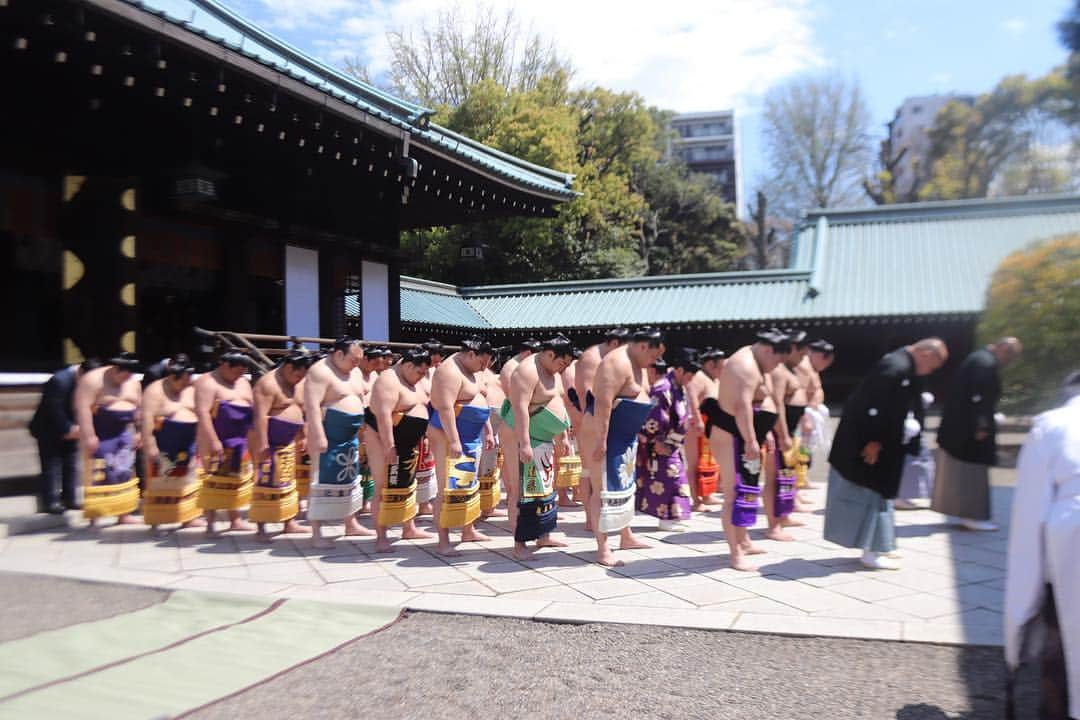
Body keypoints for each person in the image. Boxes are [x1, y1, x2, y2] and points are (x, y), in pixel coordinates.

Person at [824, 338, 948, 570]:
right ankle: (872, 550)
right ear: (925, 353)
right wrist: (873, 440)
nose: (930, 371)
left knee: (882, 494)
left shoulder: (903, 365)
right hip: (870, 442)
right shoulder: (896, 366)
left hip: (885, 441)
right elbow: (871, 407)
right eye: (932, 365)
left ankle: (882, 544)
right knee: (873, 493)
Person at [1004, 371, 1079, 720]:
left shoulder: (1054, 426)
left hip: (1069, 552)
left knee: (1065, 649)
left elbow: (1029, 522)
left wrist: (1016, 628)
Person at [700, 330, 788, 570]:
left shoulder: (756, 359)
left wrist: (764, 432)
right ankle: (735, 553)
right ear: (769, 350)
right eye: (778, 360)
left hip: (746, 432)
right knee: (732, 493)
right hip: (732, 434)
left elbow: (759, 401)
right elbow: (741, 407)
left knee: (747, 489)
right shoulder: (745, 365)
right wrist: (751, 440)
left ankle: (744, 540)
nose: (777, 366)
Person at [583, 327, 664, 567]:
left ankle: (626, 536)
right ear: (642, 346)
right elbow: (603, 404)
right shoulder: (615, 362)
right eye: (653, 355)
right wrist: (602, 440)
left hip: (625, 433)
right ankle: (603, 547)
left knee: (625, 486)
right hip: (603, 431)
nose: (655, 361)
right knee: (601, 488)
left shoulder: (638, 362)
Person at [932, 337, 1023, 531]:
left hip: (963, 426)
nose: (1008, 362)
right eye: (1010, 357)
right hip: (971, 430)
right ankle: (972, 515)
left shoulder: (978, 358)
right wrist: (982, 425)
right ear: (1002, 349)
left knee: (967, 471)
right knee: (973, 471)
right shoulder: (985, 363)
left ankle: (966, 513)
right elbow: (978, 398)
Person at [503, 335, 574, 560]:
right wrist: (524, 443)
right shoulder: (527, 371)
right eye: (562, 363)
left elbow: (557, 401)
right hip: (521, 434)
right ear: (550, 354)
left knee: (544, 488)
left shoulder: (553, 371)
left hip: (543, 436)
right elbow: (520, 408)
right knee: (522, 489)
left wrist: (562, 435)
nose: (563, 369)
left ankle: (543, 534)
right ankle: (519, 543)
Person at [303, 337, 374, 548]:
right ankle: (316, 532)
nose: (357, 363)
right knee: (319, 479)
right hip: (328, 433)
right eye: (354, 359)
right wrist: (317, 435)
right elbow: (312, 406)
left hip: (350, 436)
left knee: (351, 479)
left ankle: (350, 523)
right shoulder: (319, 371)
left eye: (359, 359)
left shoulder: (354, 371)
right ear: (338, 354)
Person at [428, 336, 495, 556]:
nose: (484, 367)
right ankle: (443, 539)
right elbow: (446, 408)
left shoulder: (472, 369)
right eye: (481, 362)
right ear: (471, 354)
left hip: (471, 434)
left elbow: (478, 398)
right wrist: (454, 440)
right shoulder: (449, 371)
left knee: (468, 483)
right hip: (449, 435)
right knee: (448, 485)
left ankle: (468, 529)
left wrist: (487, 429)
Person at [365, 346, 436, 553]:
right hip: (383, 437)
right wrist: (389, 446)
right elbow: (384, 415)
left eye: (424, 373)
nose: (421, 376)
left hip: (409, 439)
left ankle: (409, 527)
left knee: (408, 484)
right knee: (382, 487)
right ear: (407, 365)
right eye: (419, 372)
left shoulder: (416, 380)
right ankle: (381, 536)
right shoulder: (388, 380)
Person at [249, 349, 312, 541]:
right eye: (297, 374)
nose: (299, 379)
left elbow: (303, 410)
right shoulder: (267, 384)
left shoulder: (299, 383)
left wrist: (304, 435)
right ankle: (261, 527)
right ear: (287, 367)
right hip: (268, 441)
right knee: (265, 481)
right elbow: (259, 417)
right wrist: (263, 445)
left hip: (289, 441)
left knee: (288, 482)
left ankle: (289, 522)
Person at [573, 327, 630, 532]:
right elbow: (589, 398)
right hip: (590, 420)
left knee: (617, 474)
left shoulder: (610, 359)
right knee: (591, 473)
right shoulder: (592, 358)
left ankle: (622, 528)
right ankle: (591, 518)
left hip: (608, 419)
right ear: (614, 343)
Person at [74, 353, 142, 525]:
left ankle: (124, 513)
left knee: (124, 472)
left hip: (123, 432)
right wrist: (89, 435)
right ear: (115, 369)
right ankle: (95, 514)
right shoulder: (92, 380)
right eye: (124, 375)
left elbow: (139, 408)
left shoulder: (133, 383)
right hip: (100, 432)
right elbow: (83, 409)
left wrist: (139, 432)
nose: (127, 379)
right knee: (100, 473)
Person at [195, 351, 257, 536]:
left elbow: (252, 408)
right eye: (236, 371)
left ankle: (235, 519)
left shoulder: (243, 382)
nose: (238, 376)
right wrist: (213, 440)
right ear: (223, 364)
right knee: (214, 480)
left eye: (242, 372)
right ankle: (211, 523)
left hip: (241, 438)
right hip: (218, 437)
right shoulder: (207, 382)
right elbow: (203, 413)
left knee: (236, 480)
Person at [140, 354, 204, 531]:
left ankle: (188, 517)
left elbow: (202, 414)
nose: (186, 383)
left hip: (188, 440)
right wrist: (150, 445)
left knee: (189, 478)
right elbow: (146, 421)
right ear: (172, 376)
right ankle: (157, 519)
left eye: (188, 379)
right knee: (161, 480)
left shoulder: (192, 390)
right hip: (165, 441)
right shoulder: (154, 391)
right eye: (183, 380)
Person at [30, 358, 100, 514]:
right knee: (51, 465)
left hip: (73, 428)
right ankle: (50, 502)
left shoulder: (85, 382)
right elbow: (53, 409)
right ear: (81, 372)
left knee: (71, 463)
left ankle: (70, 498)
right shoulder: (60, 380)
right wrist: (67, 428)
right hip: (49, 429)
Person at [636, 355, 694, 532]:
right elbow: (655, 418)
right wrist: (657, 440)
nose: (691, 380)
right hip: (660, 443)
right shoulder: (663, 388)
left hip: (672, 442)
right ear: (679, 370)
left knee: (674, 478)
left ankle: (673, 516)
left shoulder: (675, 386)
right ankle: (666, 517)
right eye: (689, 375)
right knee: (667, 479)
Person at [765, 332, 811, 540]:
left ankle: (784, 515)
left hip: (791, 431)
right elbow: (777, 403)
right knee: (775, 478)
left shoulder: (791, 369)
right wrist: (782, 434)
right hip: (780, 431)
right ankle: (773, 526)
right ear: (791, 348)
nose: (803, 358)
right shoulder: (779, 371)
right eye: (801, 354)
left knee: (787, 476)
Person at [684, 348, 726, 511]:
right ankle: (696, 500)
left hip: (711, 425)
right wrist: (697, 419)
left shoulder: (714, 379)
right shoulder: (699, 377)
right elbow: (691, 397)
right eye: (719, 366)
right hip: (697, 424)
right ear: (709, 364)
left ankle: (707, 495)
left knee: (709, 462)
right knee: (695, 463)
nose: (721, 370)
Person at [414, 339, 445, 515]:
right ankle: (416, 503)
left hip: (432, 419)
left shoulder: (434, 371)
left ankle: (424, 502)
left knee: (428, 464)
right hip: (418, 420)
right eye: (435, 355)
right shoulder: (414, 371)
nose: (437, 359)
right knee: (417, 463)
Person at [800, 340, 836, 488]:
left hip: (813, 413)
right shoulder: (803, 367)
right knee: (800, 450)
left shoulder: (812, 368)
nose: (826, 365)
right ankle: (799, 480)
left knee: (807, 449)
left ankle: (803, 479)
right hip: (805, 415)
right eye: (826, 361)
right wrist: (805, 418)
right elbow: (797, 395)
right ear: (819, 355)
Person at [894, 391, 936, 510]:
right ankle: (899, 496)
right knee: (913, 460)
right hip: (905, 426)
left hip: (912, 425)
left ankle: (902, 495)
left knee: (918, 460)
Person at [478, 350, 507, 519]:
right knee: (481, 467)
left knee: (490, 466)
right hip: (481, 425)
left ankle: (488, 506)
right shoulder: (473, 376)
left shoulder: (493, 376)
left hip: (495, 428)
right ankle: (482, 507)